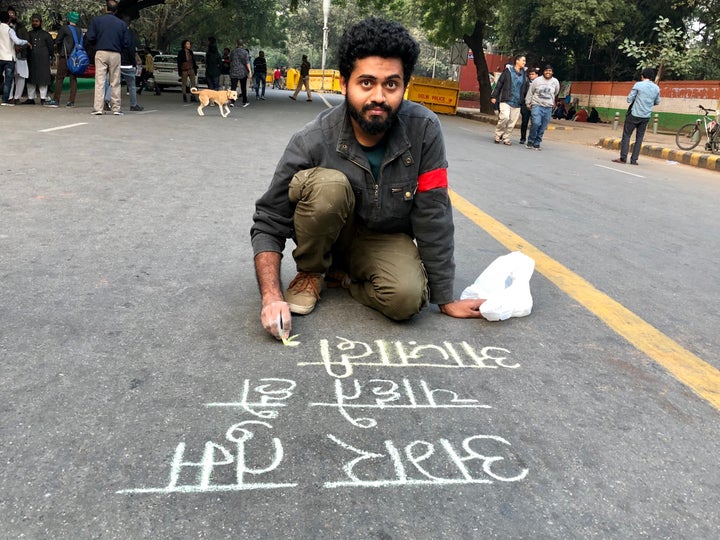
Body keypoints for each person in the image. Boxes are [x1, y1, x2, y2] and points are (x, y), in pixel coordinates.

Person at [251, 17, 485, 341]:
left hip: (381, 239)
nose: (379, 96)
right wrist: (271, 296)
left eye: (391, 84)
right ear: (344, 82)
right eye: (366, 83)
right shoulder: (313, 139)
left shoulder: (425, 130)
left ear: (405, 85)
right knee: (329, 187)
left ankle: (343, 278)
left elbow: (433, 212)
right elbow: (269, 220)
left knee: (408, 299)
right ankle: (313, 271)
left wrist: (445, 298)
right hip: (327, 236)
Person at [85, 0, 132, 115]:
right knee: (115, 81)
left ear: (106, 8)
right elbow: (127, 42)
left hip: (101, 52)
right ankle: (116, 108)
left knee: (100, 81)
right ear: (116, 10)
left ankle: (98, 108)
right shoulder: (121, 24)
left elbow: (89, 37)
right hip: (115, 53)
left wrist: (97, 44)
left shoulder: (97, 21)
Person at [612, 68, 661, 165]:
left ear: (642, 75)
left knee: (626, 135)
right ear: (652, 77)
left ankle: (623, 157)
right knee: (639, 138)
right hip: (646, 116)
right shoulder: (656, 88)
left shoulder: (638, 85)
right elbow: (657, 102)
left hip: (634, 114)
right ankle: (634, 160)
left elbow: (629, 99)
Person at [490, 54, 528, 145]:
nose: (524, 62)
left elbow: (525, 87)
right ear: (517, 61)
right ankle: (498, 134)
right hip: (506, 99)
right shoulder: (508, 71)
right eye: (523, 60)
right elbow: (499, 83)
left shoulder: (524, 73)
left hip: (517, 101)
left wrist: (526, 100)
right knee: (505, 117)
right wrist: (494, 96)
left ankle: (506, 137)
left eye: (525, 61)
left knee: (512, 122)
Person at [525, 64, 560, 150]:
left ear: (552, 72)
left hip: (548, 107)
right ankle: (530, 141)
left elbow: (555, 93)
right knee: (536, 123)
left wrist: (552, 102)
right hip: (537, 105)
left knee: (543, 126)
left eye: (550, 71)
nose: (548, 72)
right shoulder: (537, 81)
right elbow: (531, 92)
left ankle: (537, 143)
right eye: (546, 70)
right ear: (543, 72)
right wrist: (528, 103)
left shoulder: (555, 82)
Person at [52, 11, 83, 107]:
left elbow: (58, 41)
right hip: (76, 58)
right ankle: (71, 101)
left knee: (60, 78)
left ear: (69, 19)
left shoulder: (64, 29)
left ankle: (56, 100)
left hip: (65, 57)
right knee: (73, 79)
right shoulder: (79, 30)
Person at [0, 9, 29, 106]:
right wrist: (26, 42)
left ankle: (11, 98)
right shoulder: (9, 30)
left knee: (7, 78)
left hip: (2, 57)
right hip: (9, 58)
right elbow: (17, 41)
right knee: (8, 80)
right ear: (8, 19)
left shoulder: (2, 28)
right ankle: (6, 100)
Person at [26, 13, 56, 106]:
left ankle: (43, 98)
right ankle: (31, 98)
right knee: (31, 79)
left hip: (43, 60)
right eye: (33, 21)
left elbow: (51, 48)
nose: (34, 23)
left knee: (43, 80)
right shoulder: (29, 34)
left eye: (36, 21)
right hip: (31, 60)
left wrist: (51, 58)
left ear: (40, 22)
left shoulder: (46, 35)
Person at [519, 67, 539, 145]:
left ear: (537, 75)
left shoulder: (539, 83)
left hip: (536, 105)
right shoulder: (526, 82)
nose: (531, 76)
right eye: (530, 74)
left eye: (533, 74)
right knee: (524, 122)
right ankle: (523, 138)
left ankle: (532, 138)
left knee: (535, 123)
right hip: (525, 104)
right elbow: (522, 92)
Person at [229, 40, 250, 107]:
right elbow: (247, 62)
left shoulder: (233, 52)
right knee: (243, 87)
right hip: (242, 72)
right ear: (242, 45)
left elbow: (230, 60)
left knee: (233, 87)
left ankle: (232, 102)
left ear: (236, 44)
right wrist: (250, 71)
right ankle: (244, 101)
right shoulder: (245, 52)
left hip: (234, 71)